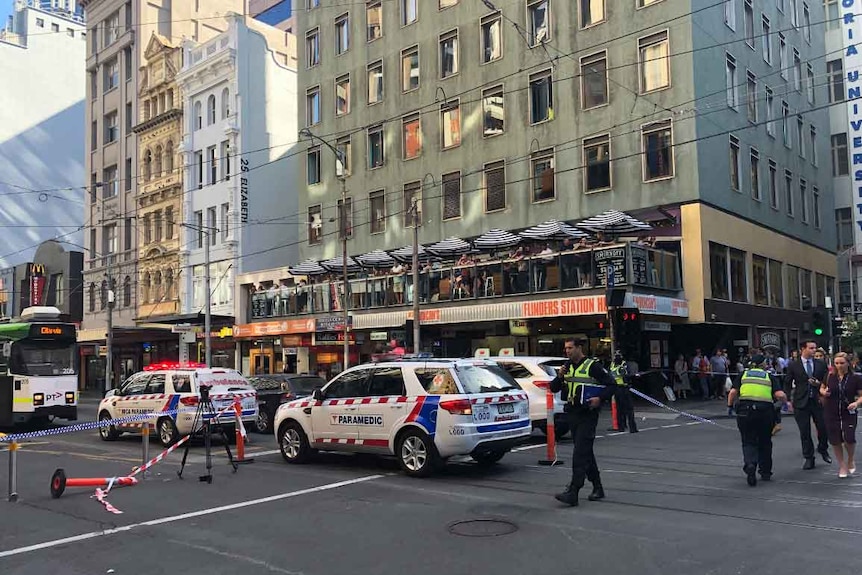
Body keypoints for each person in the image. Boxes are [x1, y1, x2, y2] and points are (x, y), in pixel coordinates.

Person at [550, 338, 617, 507]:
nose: (567, 351)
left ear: (579, 348)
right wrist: (559, 376)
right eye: (565, 348)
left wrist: (599, 398)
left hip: (588, 414)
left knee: (580, 453)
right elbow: (554, 388)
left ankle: (573, 490)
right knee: (585, 453)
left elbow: (612, 385)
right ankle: (598, 487)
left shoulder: (592, 366)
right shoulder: (567, 367)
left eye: (570, 348)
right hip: (573, 413)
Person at [727, 354, 787, 486]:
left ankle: (750, 464)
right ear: (762, 364)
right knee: (765, 441)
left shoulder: (743, 375)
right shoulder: (769, 376)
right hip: (765, 412)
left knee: (748, 441)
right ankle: (765, 472)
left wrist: (730, 407)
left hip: (744, 411)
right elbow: (780, 394)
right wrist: (785, 403)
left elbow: (732, 393)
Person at [784, 340, 831, 469]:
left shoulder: (820, 364)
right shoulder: (794, 365)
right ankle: (809, 457)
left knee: (823, 428)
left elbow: (828, 381)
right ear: (803, 349)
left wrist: (819, 385)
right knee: (805, 432)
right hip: (801, 401)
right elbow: (787, 382)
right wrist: (787, 400)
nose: (814, 350)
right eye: (811, 348)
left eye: (815, 348)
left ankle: (823, 448)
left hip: (817, 400)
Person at [819, 352, 862, 478]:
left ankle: (850, 459)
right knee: (835, 439)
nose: (839, 366)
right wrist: (824, 392)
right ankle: (842, 465)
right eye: (836, 363)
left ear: (848, 363)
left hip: (848, 411)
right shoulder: (829, 375)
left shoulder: (856, 378)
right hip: (831, 411)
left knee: (849, 438)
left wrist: (856, 403)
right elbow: (822, 388)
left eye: (842, 363)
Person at [609, 352, 638, 433]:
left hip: (616, 389)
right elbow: (626, 376)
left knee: (619, 409)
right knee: (629, 409)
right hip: (623, 388)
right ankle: (632, 428)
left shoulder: (612, 365)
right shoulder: (623, 366)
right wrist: (634, 376)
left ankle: (621, 427)